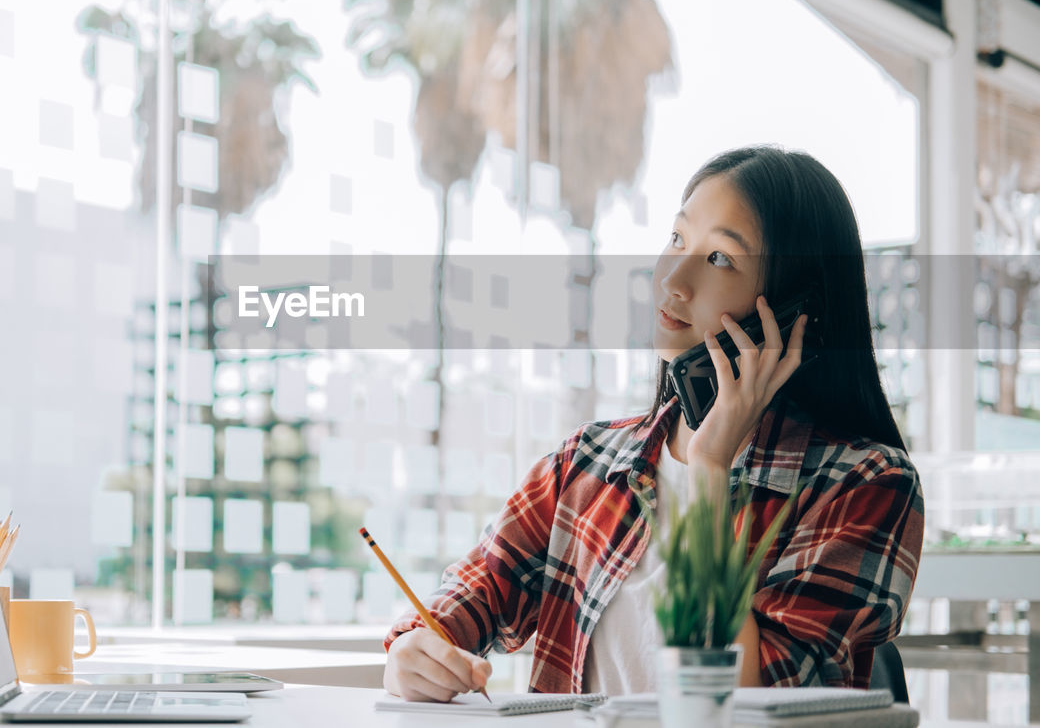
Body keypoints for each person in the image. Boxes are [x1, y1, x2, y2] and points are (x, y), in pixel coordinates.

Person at [381, 145, 925, 699]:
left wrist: (712, 471)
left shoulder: (868, 484)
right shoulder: (586, 463)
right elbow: (474, 595)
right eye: (677, 239)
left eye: (720, 259)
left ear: (789, 314)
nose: (674, 280)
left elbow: (746, 695)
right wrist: (415, 647)